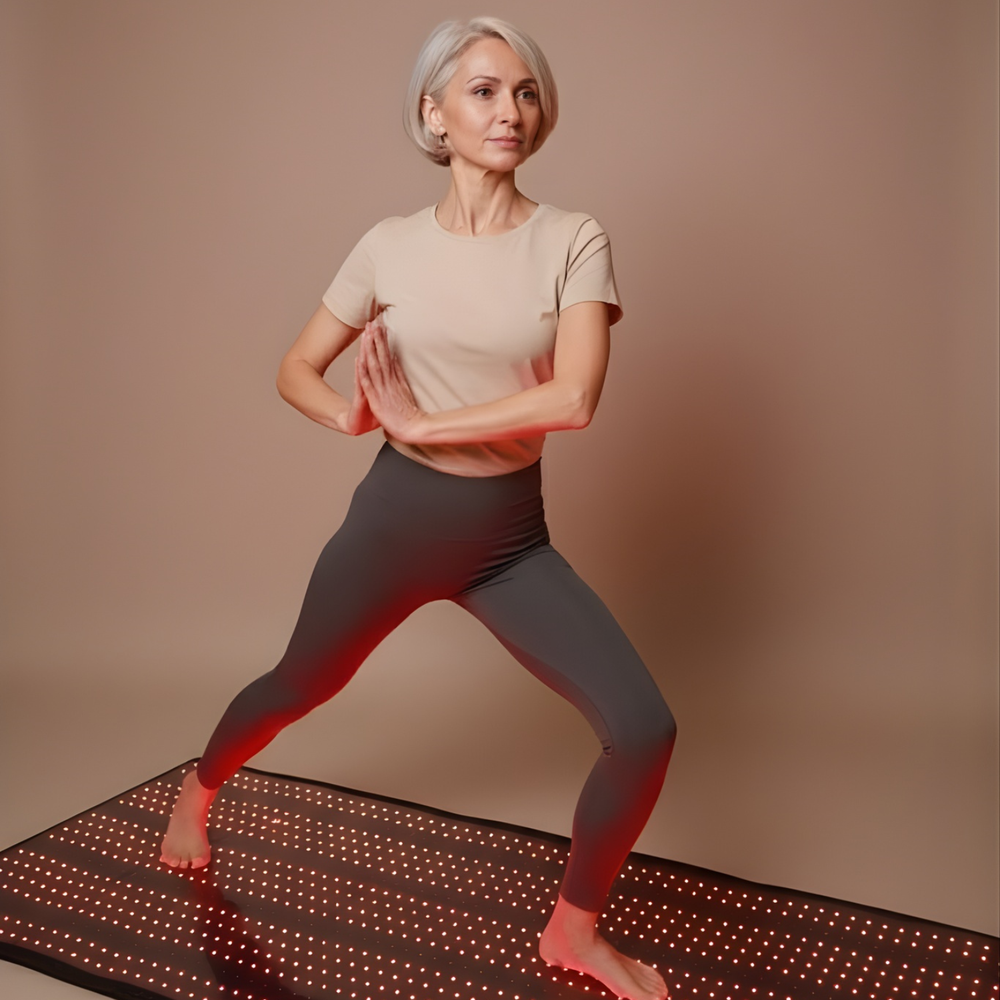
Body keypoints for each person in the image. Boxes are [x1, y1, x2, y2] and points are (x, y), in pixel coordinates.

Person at [160, 15, 676, 1000]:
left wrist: (427, 424)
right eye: (482, 90)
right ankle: (200, 785)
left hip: (508, 544)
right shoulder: (387, 246)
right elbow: (293, 369)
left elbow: (573, 398)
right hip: (394, 527)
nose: (509, 110)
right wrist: (356, 415)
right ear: (432, 114)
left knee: (644, 726)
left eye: (524, 92)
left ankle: (574, 931)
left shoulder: (573, 238)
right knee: (293, 688)